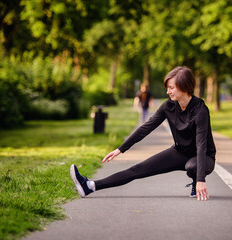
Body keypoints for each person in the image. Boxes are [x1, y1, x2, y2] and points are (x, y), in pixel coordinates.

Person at [70, 66, 216, 201]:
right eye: (167, 88)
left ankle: (195, 184)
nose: (168, 91)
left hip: (203, 157)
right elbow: (146, 127)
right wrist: (120, 149)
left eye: (171, 88)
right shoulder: (168, 106)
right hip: (180, 152)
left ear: (184, 86)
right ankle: (89, 186)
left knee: (192, 166)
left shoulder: (200, 110)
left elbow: (201, 144)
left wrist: (200, 179)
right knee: (137, 170)